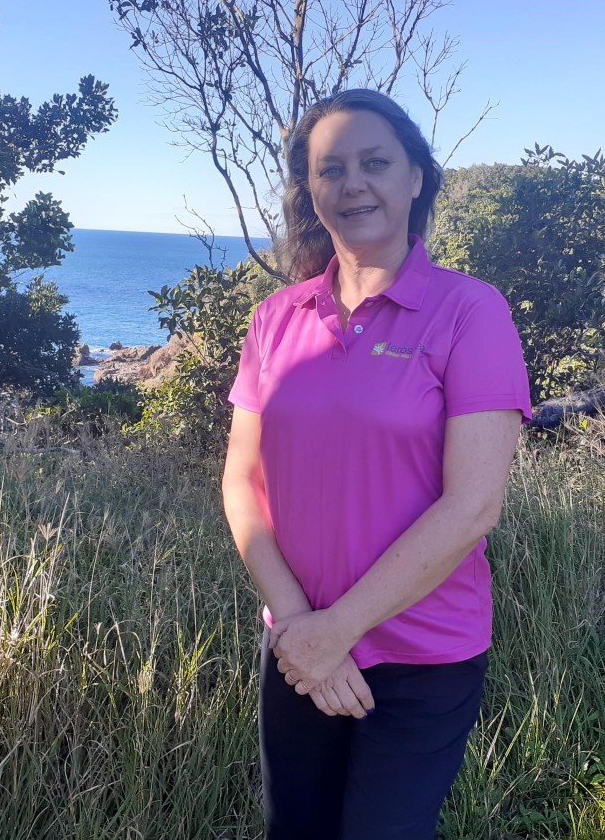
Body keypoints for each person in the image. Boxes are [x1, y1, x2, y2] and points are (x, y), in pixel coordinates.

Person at [222, 88, 531, 840]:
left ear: (416, 178)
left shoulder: (470, 311)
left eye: (375, 163)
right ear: (311, 190)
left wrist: (340, 631)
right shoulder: (276, 317)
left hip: (421, 654)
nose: (353, 183)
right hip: (295, 648)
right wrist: (301, 629)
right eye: (331, 169)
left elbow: (473, 506)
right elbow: (241, 480)